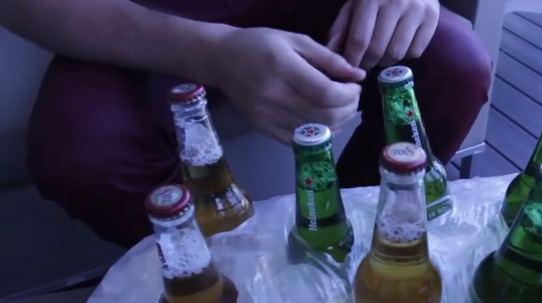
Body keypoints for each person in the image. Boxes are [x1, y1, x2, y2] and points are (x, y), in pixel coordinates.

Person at [0, 0, 492, 248]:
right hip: (144, 16)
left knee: (456, 63)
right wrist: (213, 55)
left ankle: (360, 245)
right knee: (84, 154)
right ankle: (230, 281)